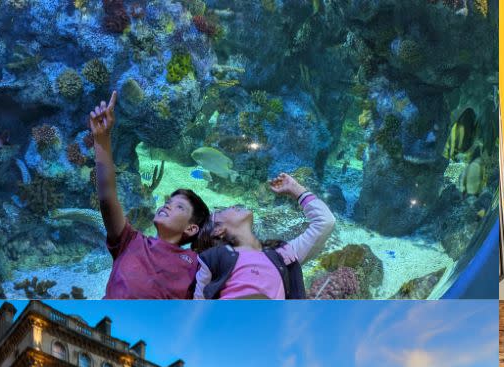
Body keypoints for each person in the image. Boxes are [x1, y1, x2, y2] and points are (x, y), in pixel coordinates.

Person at [89, 91, 212, 299]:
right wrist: (102, 140)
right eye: (169, 201)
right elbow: (107, 197)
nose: (168, 205)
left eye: (179, 206)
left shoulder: (197, 264)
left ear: (191, 228)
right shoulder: (129, 240)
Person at [191, 172, 335, 299]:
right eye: (221, 211)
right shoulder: (213, 261)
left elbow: (325, 222)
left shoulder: (282, 254)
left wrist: (296, 189)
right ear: (218, 230)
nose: (232, 206)